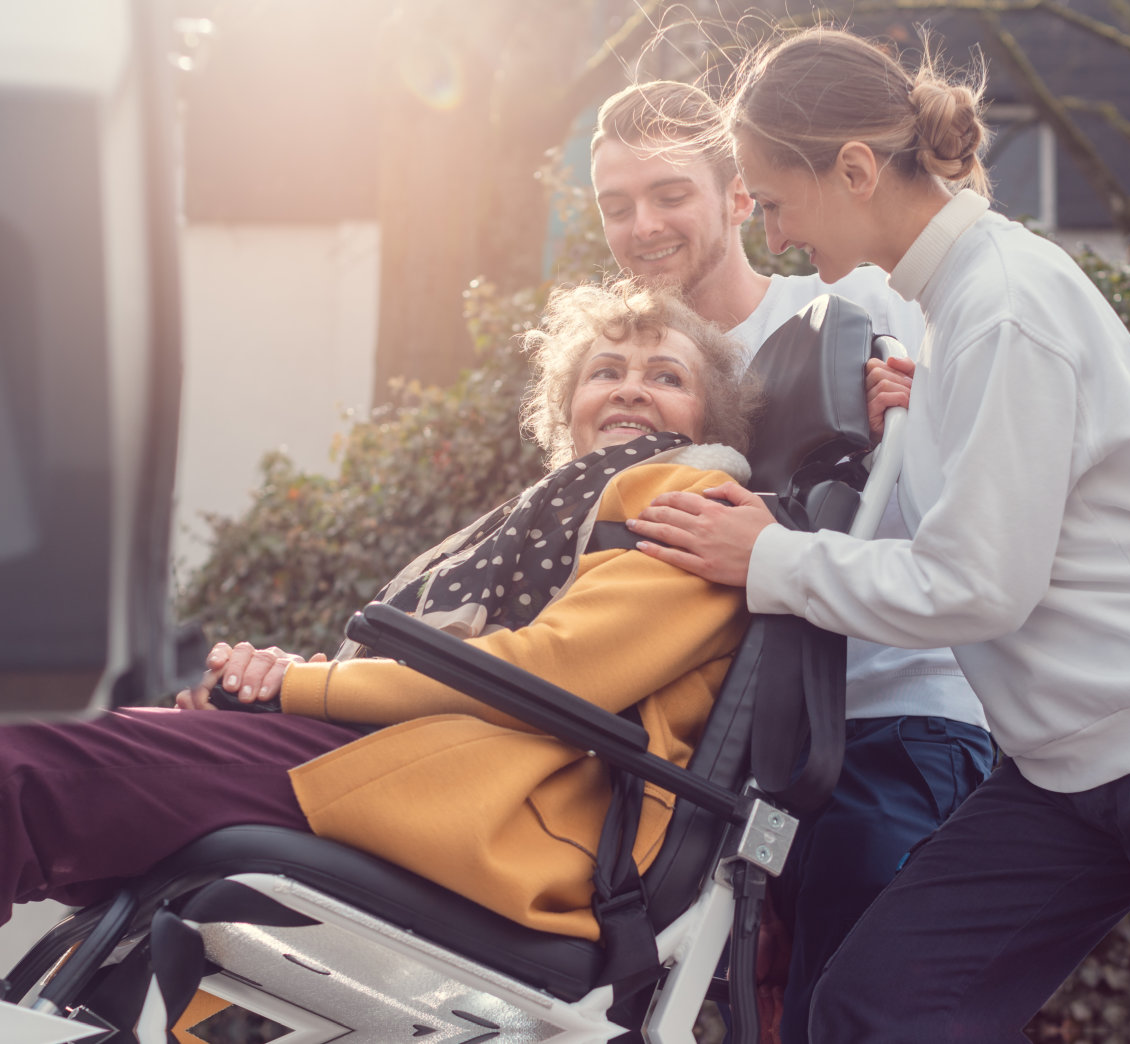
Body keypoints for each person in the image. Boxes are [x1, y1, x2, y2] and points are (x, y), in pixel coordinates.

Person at [625, 28, 1130, 1043]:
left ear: (854, 168)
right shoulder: (952, 313)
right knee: (880, 1008)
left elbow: (978, 587)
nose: (778, 236)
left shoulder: (1006, 305)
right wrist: (922, 423)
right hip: (1063, 771)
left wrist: (770, 561)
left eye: (777, 202)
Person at [1, 279, 759, 943]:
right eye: (606, 371)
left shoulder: (695, 506)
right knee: (39, 756)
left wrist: (298, 686)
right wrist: (279, 683)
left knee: (25, 766)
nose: (630, 388)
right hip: (424, 765)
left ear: (710, 421)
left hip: (495, 808)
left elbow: (548, 675)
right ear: (569, 411)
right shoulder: (546, 518)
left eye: (666, 376)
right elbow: (405, 665)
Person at [592, 80, 994, 1040]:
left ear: (742, 196)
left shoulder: (855, 299)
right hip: (722, 755)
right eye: (616, 205)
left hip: (886, 717)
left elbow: (987, 444)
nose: (642, 225)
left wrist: (923, 403)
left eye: (669, 193)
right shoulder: (633, 371)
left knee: (856, 992)